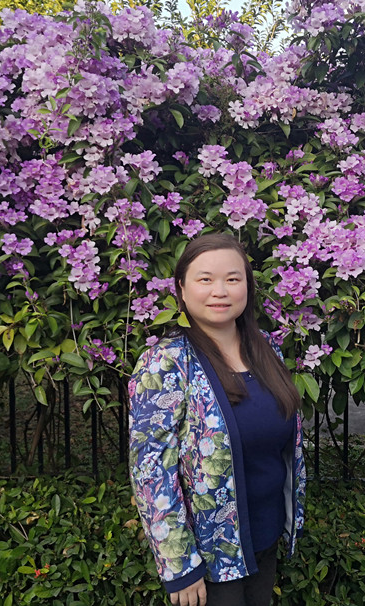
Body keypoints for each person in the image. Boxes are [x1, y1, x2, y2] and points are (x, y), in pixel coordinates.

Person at [128, 233, 306, 606]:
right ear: (181, 287)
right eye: (205, 279)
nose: (220, 291)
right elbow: (151, 470)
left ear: (247, 286)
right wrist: (179, 566)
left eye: (232, 279)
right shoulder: (166, 363)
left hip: (266, 537)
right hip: (211, 557)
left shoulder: (266, 348)